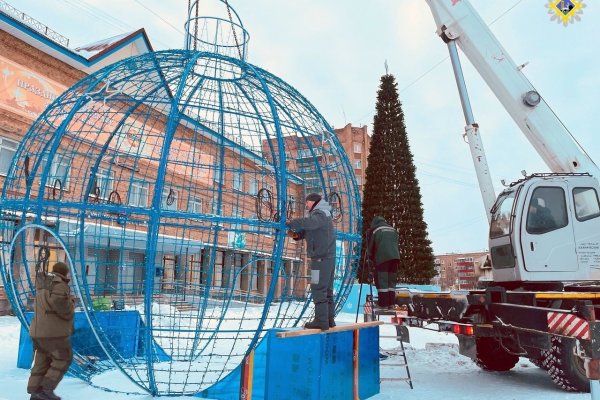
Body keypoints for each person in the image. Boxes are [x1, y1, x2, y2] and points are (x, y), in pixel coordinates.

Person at [287, 193, 336, 330]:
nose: (306, 205)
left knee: (318, 289)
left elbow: (310, 223)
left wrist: (292, 222)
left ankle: (321, 322)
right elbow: (309, 231)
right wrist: (296, 234)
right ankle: (329, 320)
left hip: (320, 260)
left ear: (313, 202)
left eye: (307, 202)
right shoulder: (323, 215)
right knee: (327, 290)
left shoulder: (320, 214)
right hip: (327, 259)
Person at [27, 262, 75, 400]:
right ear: (64, 273)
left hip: (39, 331)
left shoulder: (43, 285)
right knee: (63, 358)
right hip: (53, 333)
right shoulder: (59, 284)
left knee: (42, 361)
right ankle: (46, 389)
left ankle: (35, 391)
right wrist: (71, 304)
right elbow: (59, 304)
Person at [366, 216, 400, 309]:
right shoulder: (392, 229)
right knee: (391, 282)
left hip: (383, 258)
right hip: (395, 258)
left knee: (382, 281)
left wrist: (369, 258)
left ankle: (383, 304)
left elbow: (371, 246)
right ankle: (391, 304)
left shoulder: (375, 230)